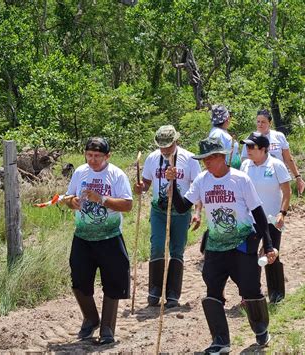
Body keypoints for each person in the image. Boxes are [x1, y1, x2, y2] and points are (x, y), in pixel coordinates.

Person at [166, 137, 277, 353]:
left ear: (222, 157)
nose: (207, 162)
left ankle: (261, 329)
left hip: (243, 244)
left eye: (211, 158)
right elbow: (181, 208)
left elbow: (258, 213)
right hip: (216, 247)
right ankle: (220, 341)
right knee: (212, 291)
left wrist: (269, 244)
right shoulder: (201, 180)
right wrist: (172, 182)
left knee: (250, 289)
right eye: (204, 159)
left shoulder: (240, 179)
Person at [65, 137, 133, 344]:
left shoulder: (116, 175)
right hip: (83, 237)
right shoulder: (80, 172)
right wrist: (72, 202)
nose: (93, 160)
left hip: (110, 237)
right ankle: (91, 318)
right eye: (89, 155)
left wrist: (101, 199)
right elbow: (68, 198)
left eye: (97, 156)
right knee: (79, 280)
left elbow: (128, 205)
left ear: (107, 156)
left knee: (113, 282)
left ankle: (107, 329)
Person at [133, 125, 202, 308]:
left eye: (167, 146)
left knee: (176, 250)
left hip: (180, 211)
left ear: (176, 141)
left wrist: (197, 212)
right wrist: (141, 187)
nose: (164, 150)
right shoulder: (152, 158)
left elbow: (197, 187)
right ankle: (154, 290)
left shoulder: (189, 159)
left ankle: (172, 294)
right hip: (158, 211)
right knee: (156, 247)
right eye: (161, 146)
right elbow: (146, 182)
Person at [240, 132, 291, 304]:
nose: (248, 150)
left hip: (271, 219)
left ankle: (276, 292)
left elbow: (286, 192)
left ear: (263, 149)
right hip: (250, 221)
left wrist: (282, 213)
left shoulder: (276, 165)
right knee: (248, 258)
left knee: (271, 254)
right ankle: (251, 293)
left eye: (251, 147)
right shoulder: (245, 166)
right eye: (246, 146)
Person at [241, 109, 305, 194]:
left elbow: (288, 158)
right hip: (257, 179)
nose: (260, 125)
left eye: (263, 122)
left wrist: (298, 177)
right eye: (258, 122)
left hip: (278, 177)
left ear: (270, 123)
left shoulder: (279, 136)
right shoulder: (249, 139)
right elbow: (245, 160)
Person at [209, 104, 241, 169]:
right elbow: (216, 157)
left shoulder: (218, 132)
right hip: (225, 172)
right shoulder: (217, 134)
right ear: (226, 119)